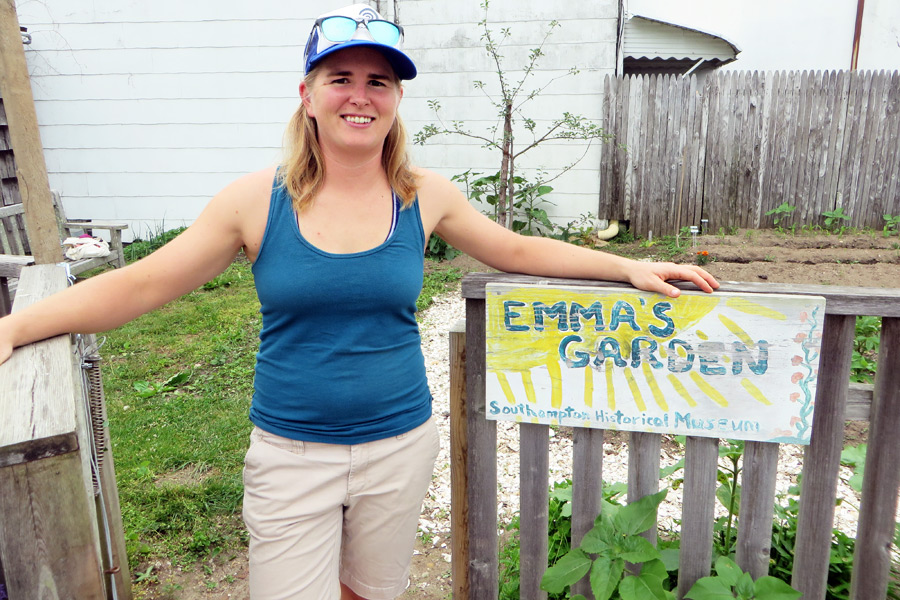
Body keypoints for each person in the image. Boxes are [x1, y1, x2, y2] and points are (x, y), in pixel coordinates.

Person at [0, 4, 719, 599]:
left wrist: (626, 268)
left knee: (371, 594)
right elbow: (143, 283)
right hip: (290, 455)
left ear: (397, 99)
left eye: (380, 81)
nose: (360, 95)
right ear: (307, 95)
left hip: (399, 446)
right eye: (340, 77)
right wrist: (19, 325)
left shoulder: (424, 195)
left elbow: (519, 250)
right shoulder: (254, 202)